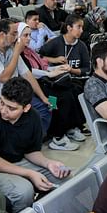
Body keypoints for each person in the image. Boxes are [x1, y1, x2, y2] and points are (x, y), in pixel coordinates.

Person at [0, 77, 70, 212]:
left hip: (14, 161)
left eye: (11, 108)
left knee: (61, 176)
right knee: (23, 191)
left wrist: (48, 163)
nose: (3, 110)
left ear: (26, 108)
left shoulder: (34, 117)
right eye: (2, 103)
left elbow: (31, 151)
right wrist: (30, 173)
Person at [0, 18, 52, 133]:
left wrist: (43, 97)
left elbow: (27, 74)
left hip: (11, 97)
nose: (17, 38)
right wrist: (17, 52)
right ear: (2, 34)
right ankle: (20, 144)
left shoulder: (10, 50)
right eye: (14, 34)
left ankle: (31, 143)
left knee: (43, 108)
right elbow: (4, 77)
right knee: (10, 121)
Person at [17, 22, 84, 151]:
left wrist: (56, 68)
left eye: (29, 35)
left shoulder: (29, 50)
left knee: (71, 91)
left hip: (43, 81)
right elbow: (28, 72)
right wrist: (49, 73)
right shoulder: (18, 54)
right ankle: (57, 136)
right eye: (25, 35)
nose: (29, 38)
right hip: (32, 87)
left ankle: (68, 127)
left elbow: (43, 65)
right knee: (56, 100)